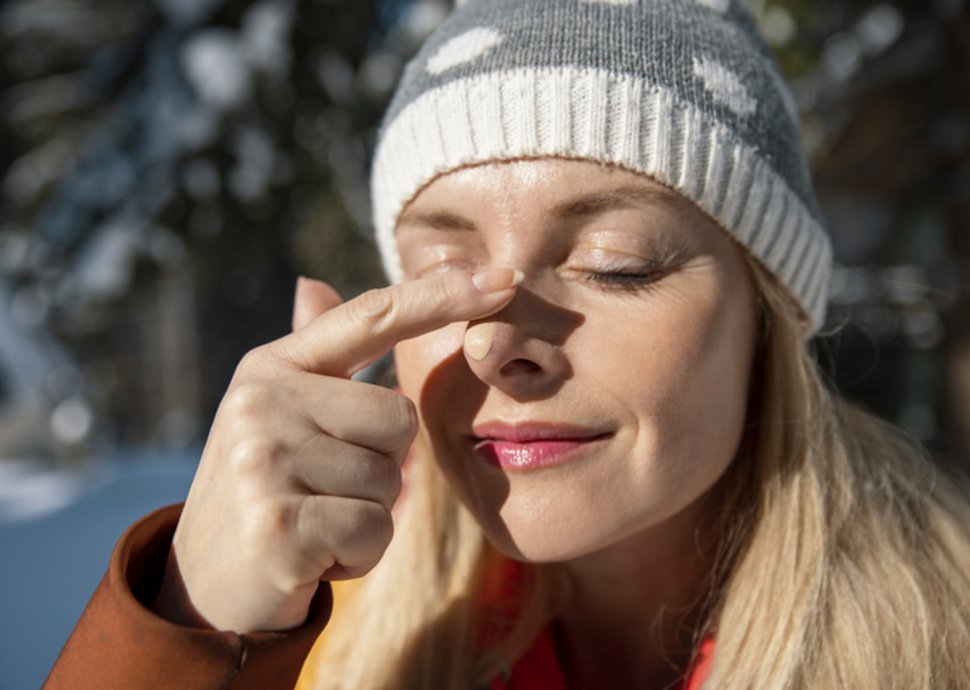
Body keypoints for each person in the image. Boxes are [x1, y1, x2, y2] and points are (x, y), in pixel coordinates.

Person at [46, 0, 970, 688]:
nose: (497, 347)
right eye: (443, 270)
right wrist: (192, 630)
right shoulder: (325, 640)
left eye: (617, 263)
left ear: (767, 313)